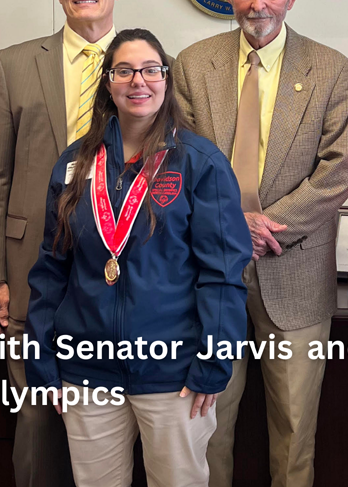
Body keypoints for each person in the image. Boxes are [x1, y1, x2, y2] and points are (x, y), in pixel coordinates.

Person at [25, 28, 249, 487]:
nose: (137, 81)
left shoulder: (199, 161)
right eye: (123, 70)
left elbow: (223, 274)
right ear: (108, 82)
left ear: (167, 79)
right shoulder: (74, 164)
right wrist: (41, 357)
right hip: (86, 368)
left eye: (150, 70)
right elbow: (51, 268)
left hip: (174, 372)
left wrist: (214, 362)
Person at [173, 0, 348, 487]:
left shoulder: (333, 70)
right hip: (209, 275)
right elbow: (178, 167)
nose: (258, 3)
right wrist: (233, 227)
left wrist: (261, 227)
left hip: (296, 272)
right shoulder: (192, 65)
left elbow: (336, 173)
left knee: (295, 432)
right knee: (207, 427)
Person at [0, 0, 122, 487]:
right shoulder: (13, 64)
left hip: (120, 278)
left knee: (111, 427)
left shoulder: (151, 66)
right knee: (36, 425)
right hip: (28, 273)